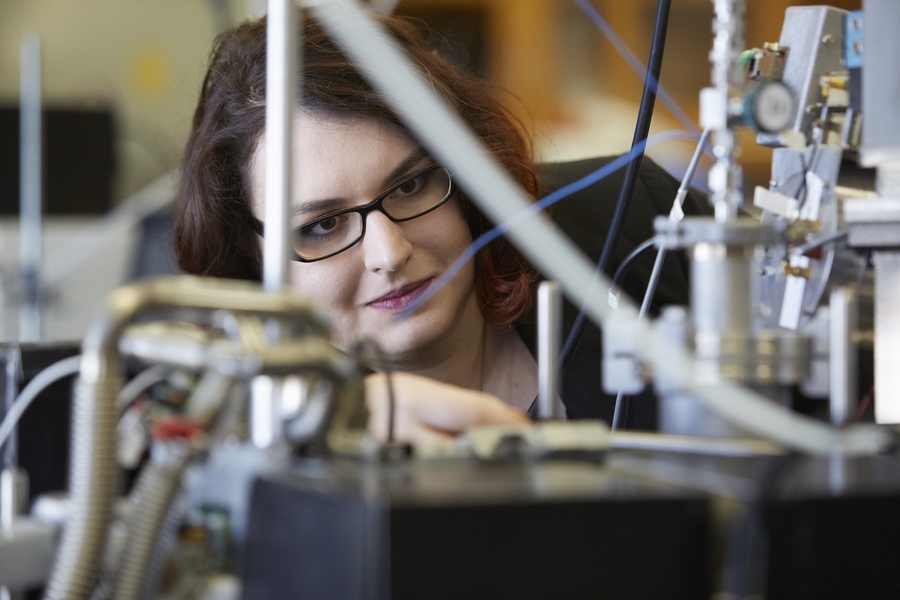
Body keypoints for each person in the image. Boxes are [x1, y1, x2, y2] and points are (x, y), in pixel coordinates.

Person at [175, 13, 704, 447]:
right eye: (323, 225)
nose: (390, 251)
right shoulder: (248, 443)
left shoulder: (645, 220)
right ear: (246, 257)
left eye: (410, 186)